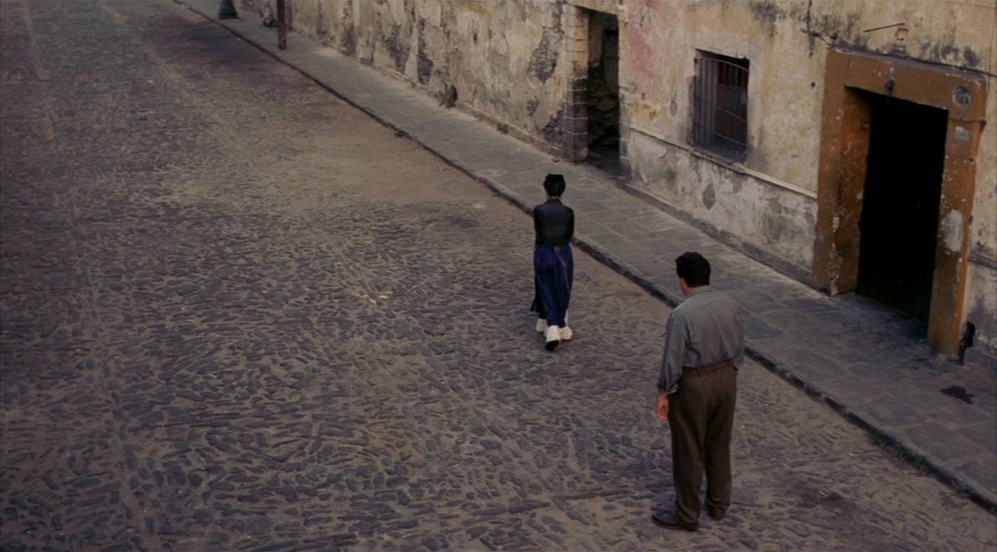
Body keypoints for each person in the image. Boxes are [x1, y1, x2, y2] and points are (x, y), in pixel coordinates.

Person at [652, 251, 744, 531]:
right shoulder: (729, 303)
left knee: (689, 448)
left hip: (694, 384)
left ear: (682, 280)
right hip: (726, 378)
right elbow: (739, 345)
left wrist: (664, 392)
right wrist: (730, 371)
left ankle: (687, 513)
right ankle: (718, 504)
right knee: (719, 442)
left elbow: (672, 359)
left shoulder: (682, 315)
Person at [531, 173, 575, 350]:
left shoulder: (539, 210)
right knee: (562, 288)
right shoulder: (568, 212)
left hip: (543, 251)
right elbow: (570, 234)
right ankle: (556, 325)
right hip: (562, 252)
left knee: (545, 287)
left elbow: (538, 231)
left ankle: (548, 322)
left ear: (546, 190)